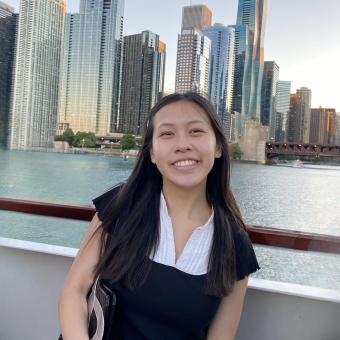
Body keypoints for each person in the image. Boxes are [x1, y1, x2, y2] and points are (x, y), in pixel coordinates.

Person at [58, 92, 260, 339]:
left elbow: (221, 337)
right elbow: (75, 291)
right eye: (167, 133)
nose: (182, 144)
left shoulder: (235, 245)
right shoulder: (122, 206)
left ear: (218, 146)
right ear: (152, 153)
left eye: (195, 131)